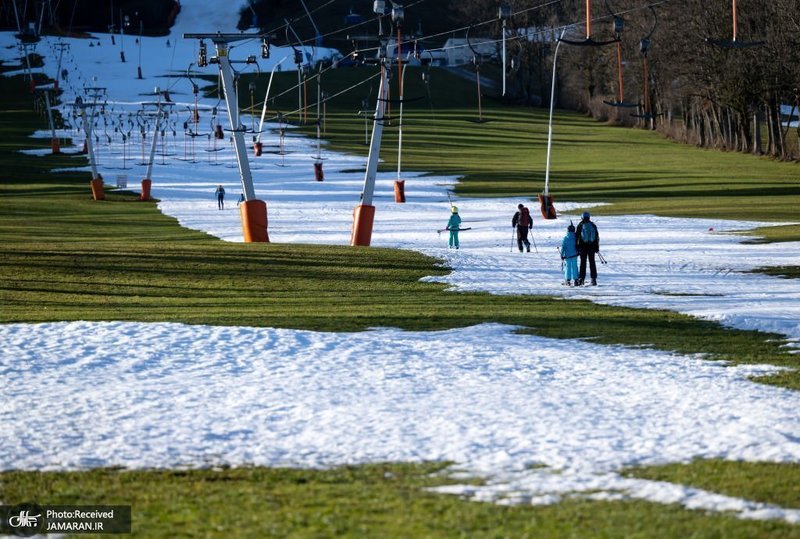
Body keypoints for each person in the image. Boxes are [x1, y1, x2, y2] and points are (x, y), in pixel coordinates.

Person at [575, 211, 600, 286]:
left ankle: (581, 279)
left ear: (582, 217)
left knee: (583, 263)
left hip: (583, 247)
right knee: (592, 262)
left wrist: (577, 247)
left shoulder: (580, 225)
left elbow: (577, 237)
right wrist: (597, 247)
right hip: (592, 247)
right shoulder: (593, 225)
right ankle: (593, 279)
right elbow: (597, 237)